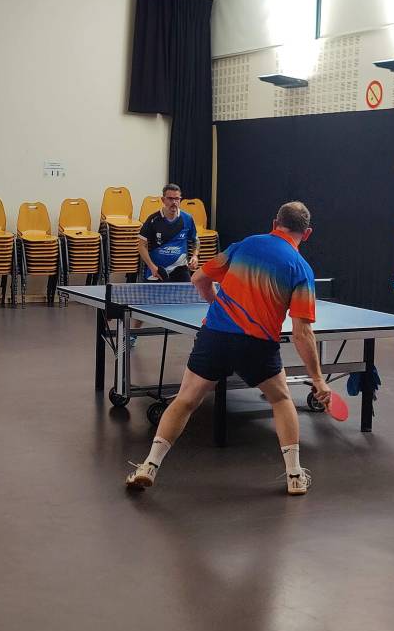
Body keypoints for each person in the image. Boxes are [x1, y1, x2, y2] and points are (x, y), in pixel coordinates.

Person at [125, 201, 332, 496]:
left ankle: (149, 466)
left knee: (185, 400)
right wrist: (318, 379)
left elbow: (199, 278)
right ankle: (295, 475)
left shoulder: (243, 246)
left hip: (216, 336)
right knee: (281, 399)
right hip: (257, 345)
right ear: (307, 233)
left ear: (274, 223)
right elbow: (302, 333)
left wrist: (216, 303)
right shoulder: (301, 268)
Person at [138, 183, 198, 282]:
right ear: (163, 200)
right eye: (170, 199)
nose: (174, 202)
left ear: (180, 200)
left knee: (187, 291)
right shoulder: (153, 219)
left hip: (180, 270)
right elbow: (141, 246)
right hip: (157, 271)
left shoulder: (187, 218)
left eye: (177, 199)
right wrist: (152, 267)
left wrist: (195, 256)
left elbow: (195, 240)